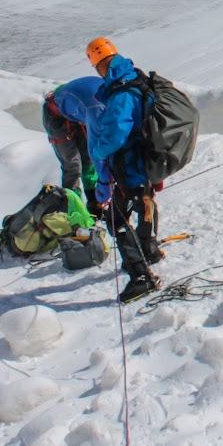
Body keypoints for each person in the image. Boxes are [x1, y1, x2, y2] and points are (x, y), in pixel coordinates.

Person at [85, 36, 162, 302]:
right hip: (144, 159)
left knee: (116, 219)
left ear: (99, 66)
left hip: (130, 163)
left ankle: (140, 276)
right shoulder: (135, 79)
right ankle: (148, 250)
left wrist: (96, 151)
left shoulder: (121, 93)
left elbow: (115, 134)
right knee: (145, 202)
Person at [42, 76, 104, 212]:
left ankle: (93, 202)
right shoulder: (96, 108)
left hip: (72, 111)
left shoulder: (105, 98)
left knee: (88, 160)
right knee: (73, 166)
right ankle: (74, 210)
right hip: (56, 117)